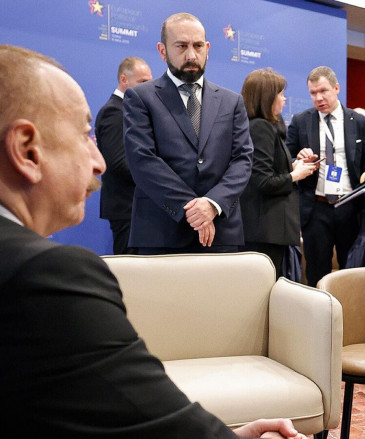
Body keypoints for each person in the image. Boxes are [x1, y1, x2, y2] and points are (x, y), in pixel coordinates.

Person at [0, 43, 304, 439]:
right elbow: (151, 418)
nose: (99, 162)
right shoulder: (47, 276)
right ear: (27, 150)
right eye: (85, 135)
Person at [123, 12, 253, 254]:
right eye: (181, 46)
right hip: (161, 233)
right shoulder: (140, 98)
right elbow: (142, 161)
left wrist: (212, 204)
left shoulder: (231, 101)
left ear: (208, 49)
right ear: (163, 51)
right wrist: (192, 209)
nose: (191, 55)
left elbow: (242, 160)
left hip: (221, 232)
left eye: (198, 46)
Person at [285, 66, 365, 286]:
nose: (318, 98)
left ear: (336, 88)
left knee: (350, 274)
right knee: (316, 272)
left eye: (323, 91)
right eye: (313, 93)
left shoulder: (357, 121)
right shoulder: (301, 121)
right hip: (315, 208)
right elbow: (286, 157)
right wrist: (298, 159)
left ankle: (347, 307)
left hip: (350, 206)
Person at [239, 68, 316, 279]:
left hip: (268, 230)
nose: (284, 99)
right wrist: (295, 175)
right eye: (280, 94)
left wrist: (294, 166)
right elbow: (262, 180)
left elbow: (269, 169)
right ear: (267, 98)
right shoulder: (260, 128)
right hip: (265, 231)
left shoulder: (265, 127)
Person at [95, 56, 152, 255]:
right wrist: (155, 176)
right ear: (124, 79)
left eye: (150, 82)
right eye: (142, 82)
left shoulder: (131, 110)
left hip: (137, 208)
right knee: (131, 267)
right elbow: (119, 162)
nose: (148, 88)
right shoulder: (114, 112)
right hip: (127, 208)